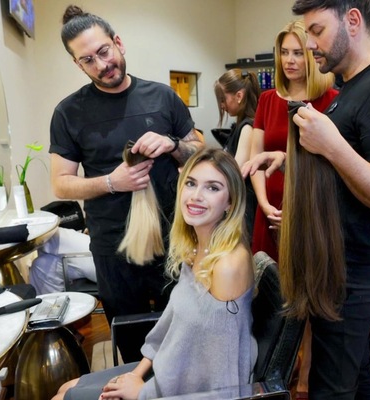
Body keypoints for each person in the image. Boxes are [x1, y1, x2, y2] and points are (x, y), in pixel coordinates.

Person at [245, 1, 370, 398]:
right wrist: (292, 159)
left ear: (353, 21)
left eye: (317, 30)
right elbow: (351, 168)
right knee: (356, 376)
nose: (309, 44)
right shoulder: (352, 88)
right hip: (339, 264)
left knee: (331, 386)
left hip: (358, 270)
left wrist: (331, 146)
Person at [49, 5, 203, 362]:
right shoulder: (69, 113)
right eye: (88, 60)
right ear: (78, 65)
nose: (101, 65)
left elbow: (199, 151)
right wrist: (111, 182)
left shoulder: (162, 97)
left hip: (173, 237)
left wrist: (174, 145)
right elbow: (61, 185)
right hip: (112, 246)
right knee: (132, 342)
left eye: (104, 52)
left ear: (118, 43)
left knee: (181, 335)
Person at [53, 148, 257, 400]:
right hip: (169, 374)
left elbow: (218, 379)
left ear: (230, 203)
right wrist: (137, 373)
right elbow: (172, 326)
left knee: (63, 397)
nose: (196, 196)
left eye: (213, 188)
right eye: (191, 183)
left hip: (188, 392)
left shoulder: (227, 265)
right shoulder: (197, 248)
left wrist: (143, 392)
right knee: (66, 388)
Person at [249, 19, 337, 263]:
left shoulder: (331, 100)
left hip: (312, 210)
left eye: (298, 53)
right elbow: (255, 159)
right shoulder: (267, 99)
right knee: (267, 284)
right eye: (284, 53)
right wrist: (264, 204)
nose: (289, 60)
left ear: (311, 54)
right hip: (270, 209)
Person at [214, 69, 260, 241]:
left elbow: (237, 172)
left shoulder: (247, 128)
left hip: (244, 207)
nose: (221, 105)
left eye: (222, 99)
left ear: (239, 96)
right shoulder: (240, 126)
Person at [29, 227, 96, 295]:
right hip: (95, 254)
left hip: (101, 261)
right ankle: (53, 303)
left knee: (49, 236)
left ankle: (33, 237)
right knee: (40, 265)